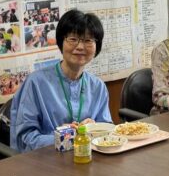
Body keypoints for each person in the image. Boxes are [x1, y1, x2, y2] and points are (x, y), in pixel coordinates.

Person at [9, 9, 112, 152]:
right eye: (73, 39)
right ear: (61, 42)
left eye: (88, 40)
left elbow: (107, 131)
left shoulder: (98, 86)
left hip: (87, 157)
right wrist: (64, 136)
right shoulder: (36, 83)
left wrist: (94, 129)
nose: (80, 47)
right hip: (45, 160)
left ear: (97, 46)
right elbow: (25, 138)